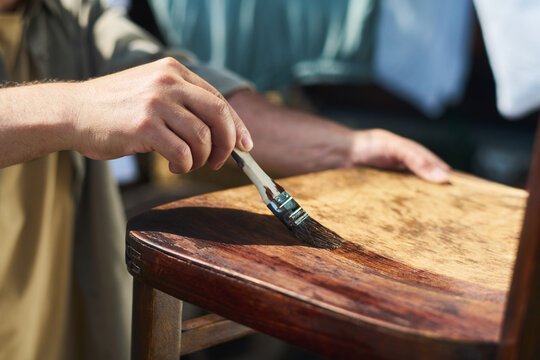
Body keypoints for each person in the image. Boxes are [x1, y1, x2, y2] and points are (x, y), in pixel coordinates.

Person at [0, 0, 450, 359]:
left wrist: (348, 147)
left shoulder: (72, 14)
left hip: (59, 328)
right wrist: (74, 109)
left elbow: (207, 104)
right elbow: (83, 106)